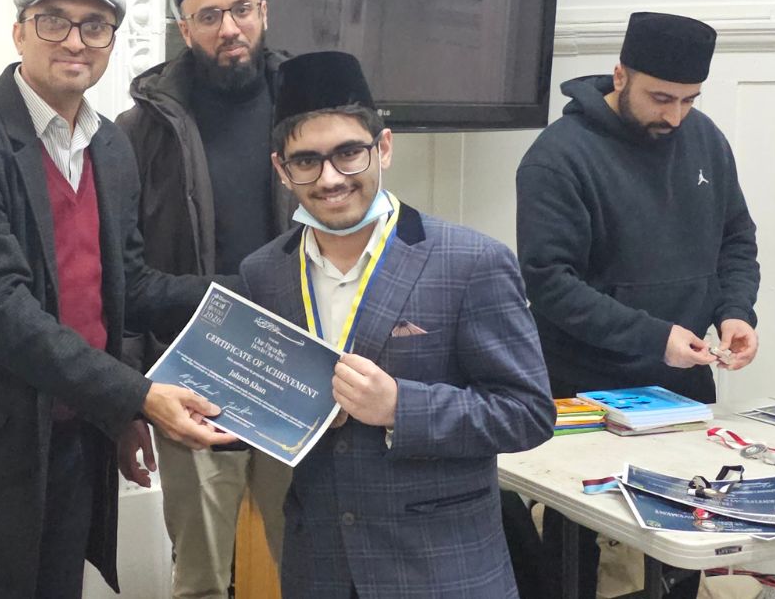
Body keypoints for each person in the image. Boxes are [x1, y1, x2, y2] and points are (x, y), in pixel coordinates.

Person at [0, 0, 236, 599]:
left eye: (94, 26)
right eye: (53, 22)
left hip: (72, 443)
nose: (74, 41)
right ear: (19, 33)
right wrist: (137, 397)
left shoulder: (109, 148)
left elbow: (127, 291)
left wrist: (253, 287)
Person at [237, 51, 554, 598]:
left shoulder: (471, 262)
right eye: (306, 161)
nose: (330, 179)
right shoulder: (264, 272)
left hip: (440, 571)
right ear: (282, 169)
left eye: (348, 154)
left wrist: (400, 408)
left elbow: (528, 414)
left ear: (383, 147)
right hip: (319, 569)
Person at [516, 11, 761, 598]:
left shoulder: (705, 139)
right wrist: (654, 337)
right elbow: (550, 284)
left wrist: (734, 311)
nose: (674, 116)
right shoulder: (558, 157)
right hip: (586, 399)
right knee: (587, 569)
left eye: (689, 100)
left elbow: (736, 239)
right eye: (661, 98)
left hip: (685, 393)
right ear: (620, 76)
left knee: (680, 557)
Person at [116, 0, 293, 597]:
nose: (230, 28)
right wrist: (129, 399)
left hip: (298, 377)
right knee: (199, 582)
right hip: (193, 385)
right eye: (210, 16)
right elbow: (124, 278)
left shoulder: (308, 111)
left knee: (312, 571)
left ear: (264, 11)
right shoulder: (140, 132)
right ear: (184, 28)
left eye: (242, 9)